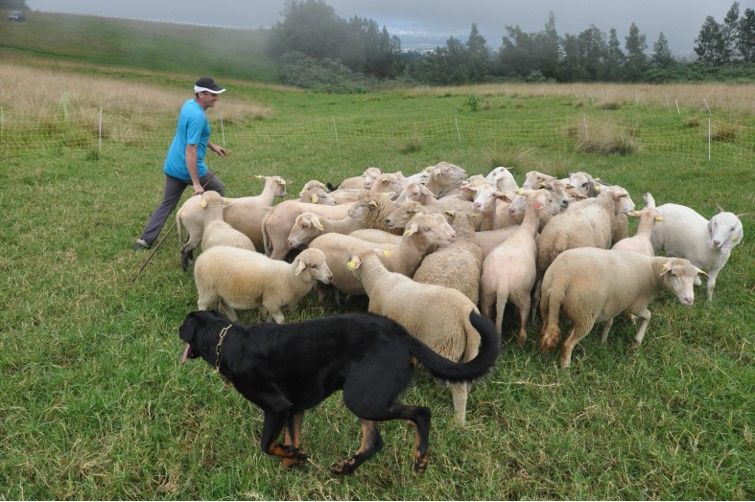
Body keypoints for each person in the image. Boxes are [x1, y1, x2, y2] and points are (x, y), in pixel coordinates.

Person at [133, 77, 228, 250]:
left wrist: (212, 146)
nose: (216, 98)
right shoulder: (198, 116)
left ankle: (144, 240)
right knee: (219, 191)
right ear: (201, 94)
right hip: (190, 168)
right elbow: (190, 150)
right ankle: (211, 232)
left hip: (173, 165)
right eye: (213, 94)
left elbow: (193, 134)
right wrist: (197, 183)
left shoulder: (189, 105)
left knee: (167, 204)